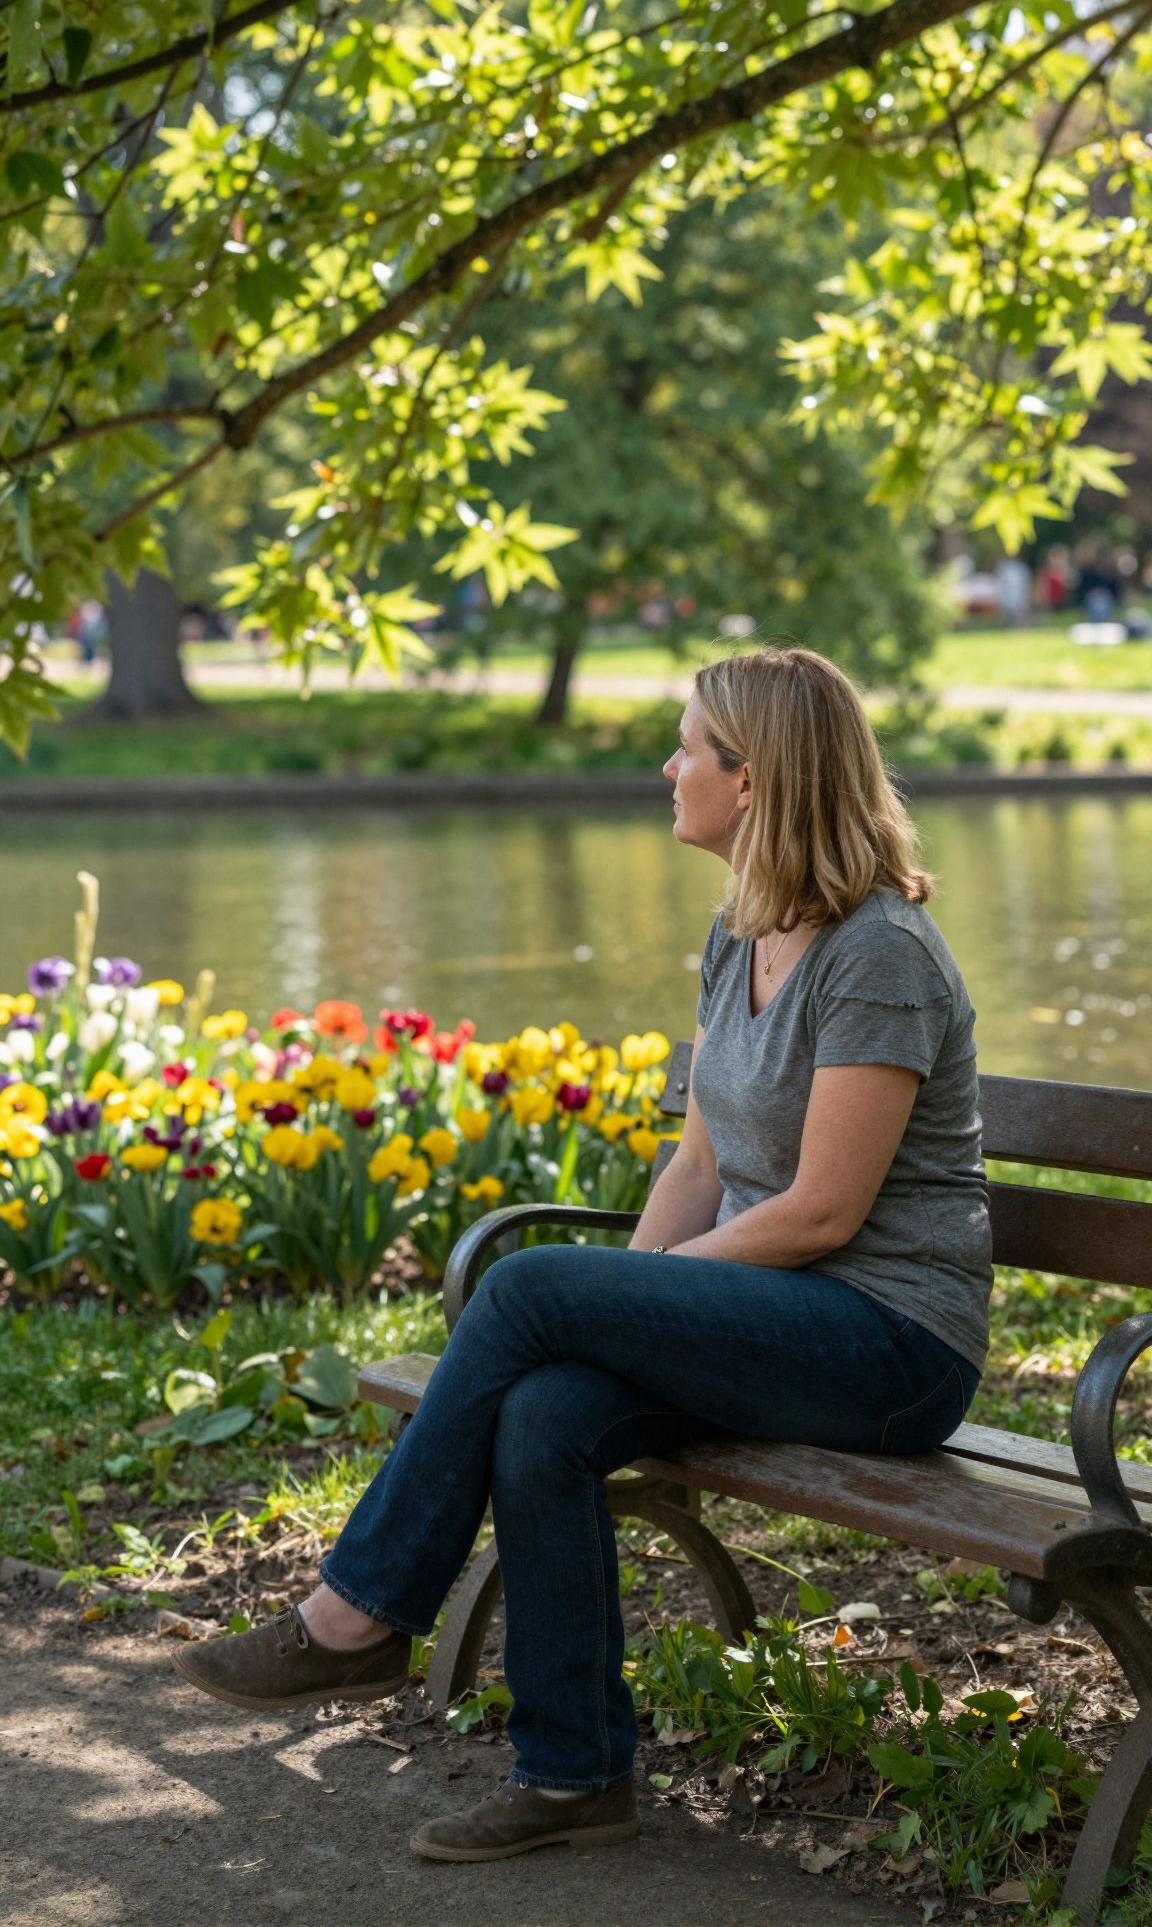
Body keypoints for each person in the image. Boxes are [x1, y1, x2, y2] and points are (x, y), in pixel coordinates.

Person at [172, 646, 993, 1862]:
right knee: (545, 1406)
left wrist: (637, 1290)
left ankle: (355, 1616)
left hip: (892, 1341)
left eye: (685, 747)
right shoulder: (740, 937)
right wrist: (634, 1297)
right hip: (781, 1312)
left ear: (754, 780)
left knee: (529, 1283)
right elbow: (699, 1169)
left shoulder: (880, 954)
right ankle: (572, 1774)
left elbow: (823, 1210)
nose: (667, 767)